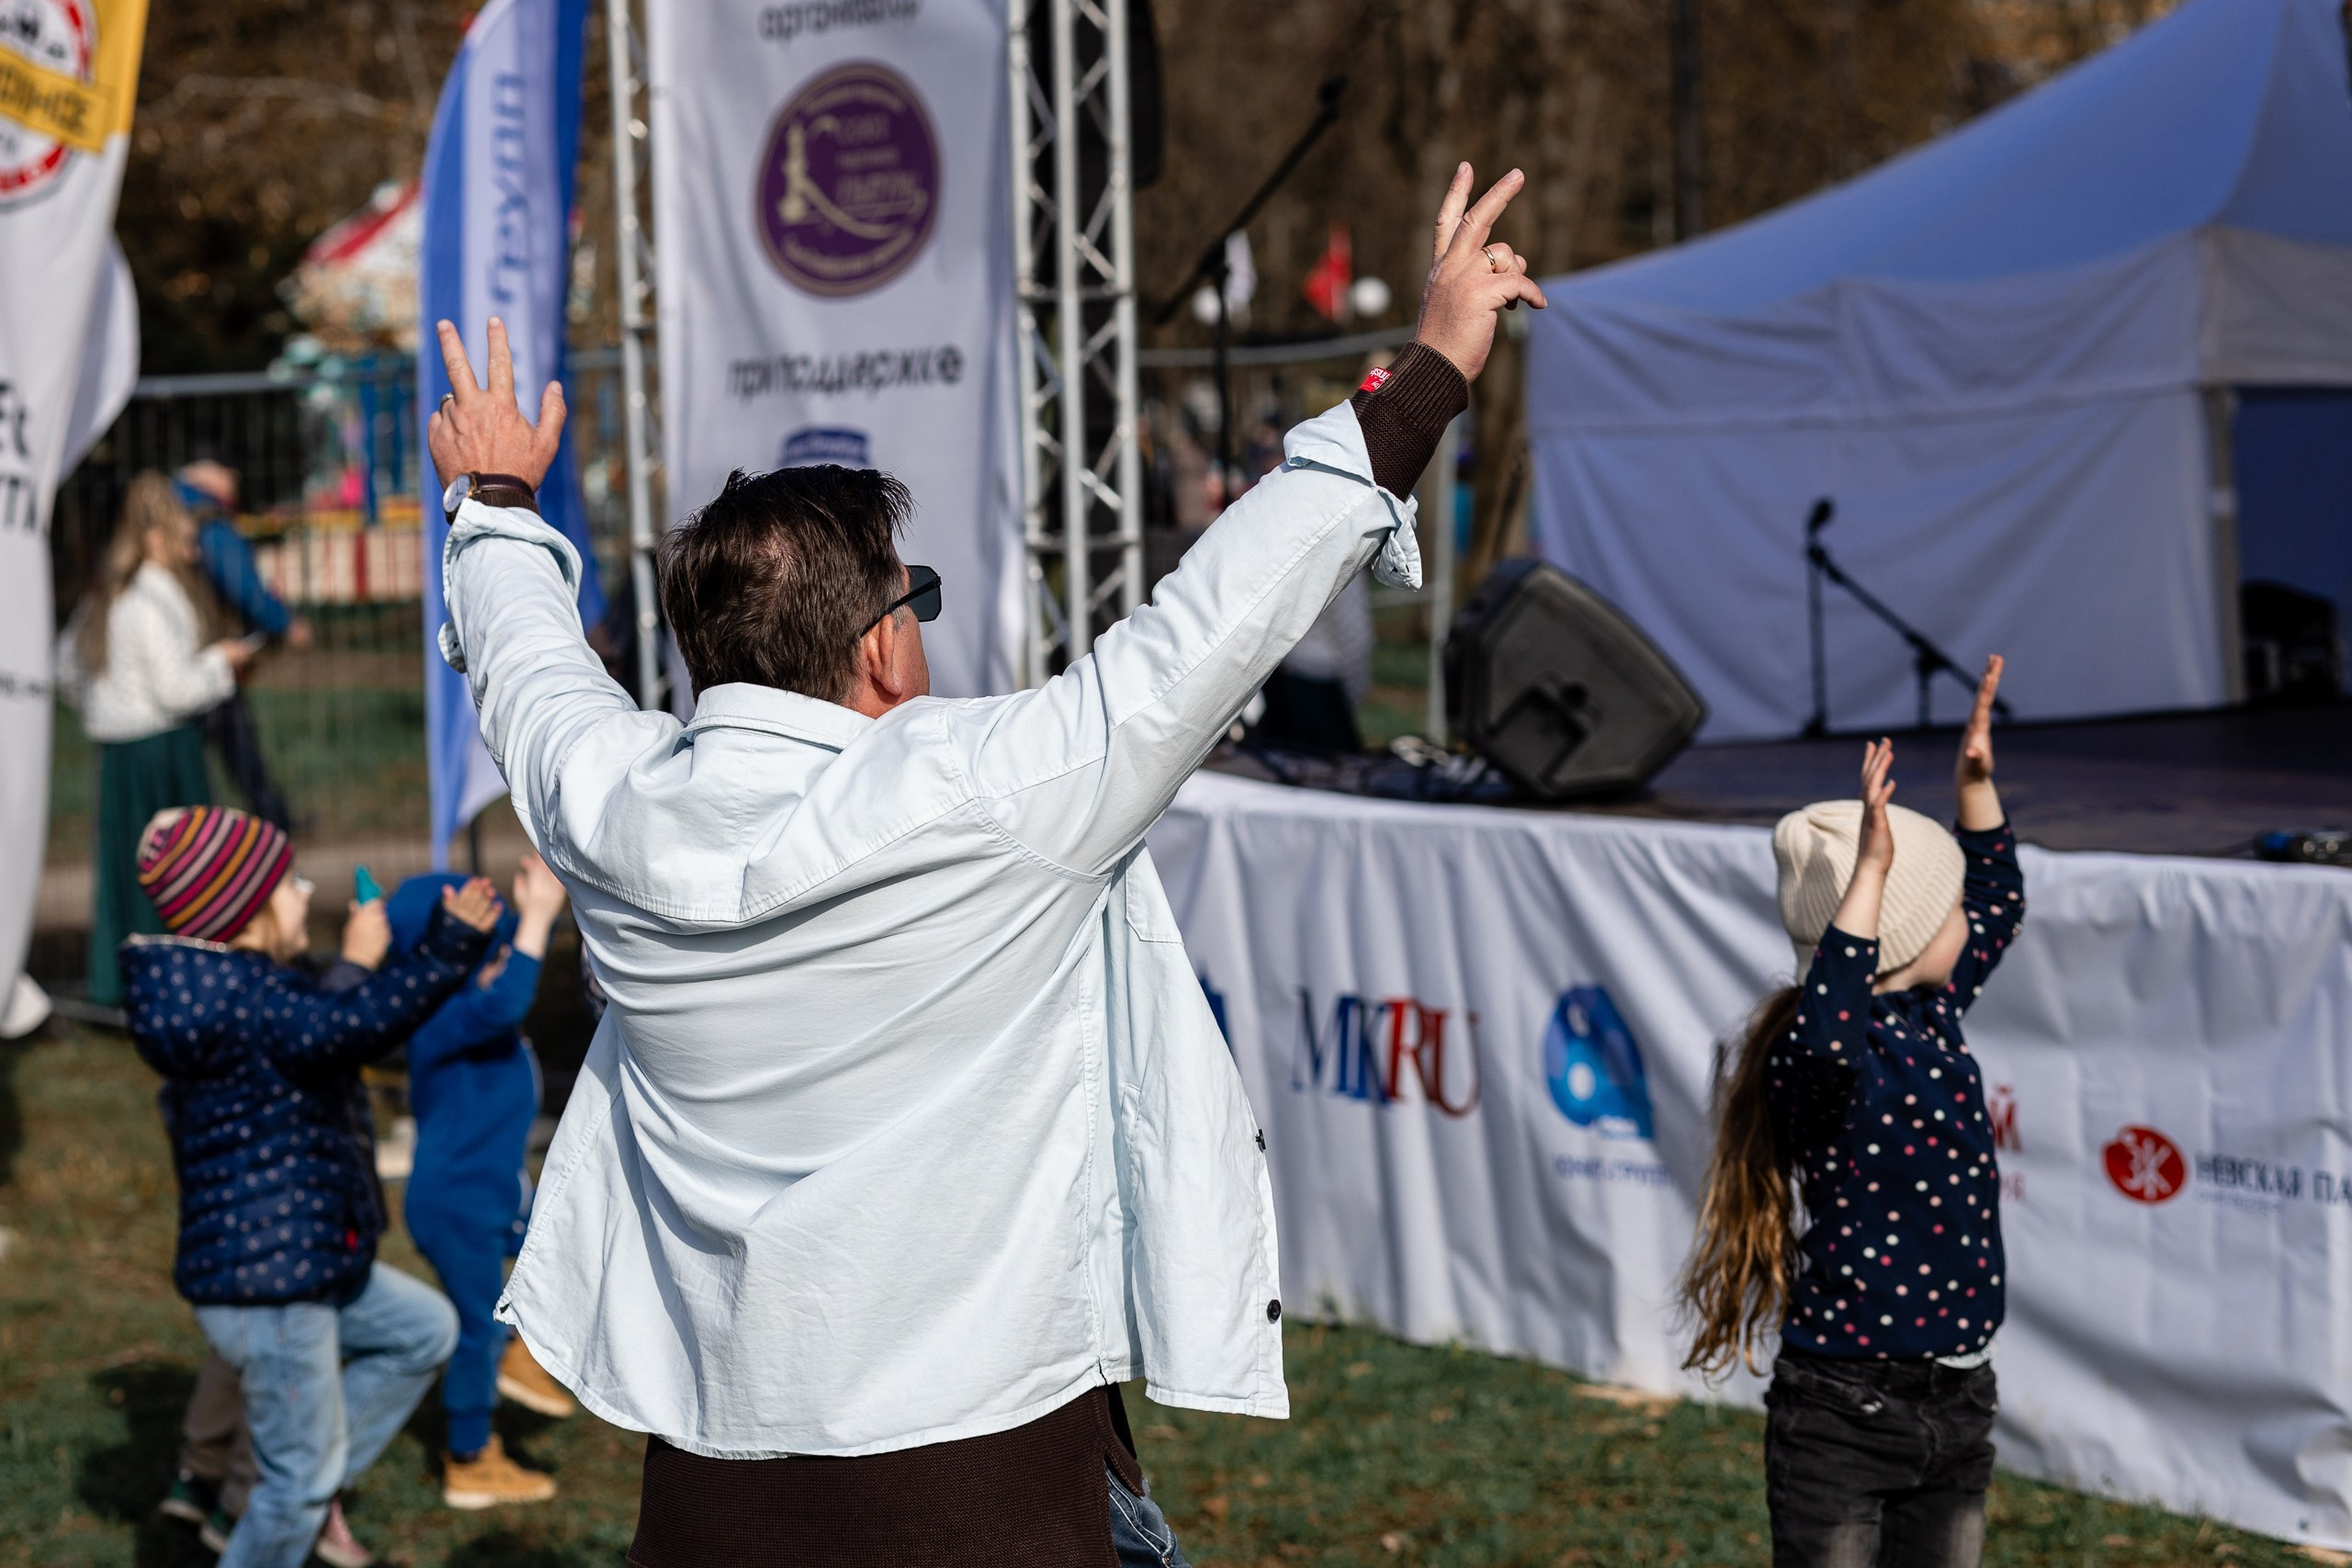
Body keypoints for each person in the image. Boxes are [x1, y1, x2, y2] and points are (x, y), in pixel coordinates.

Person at [424, 163, 1543, 1566]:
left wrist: (493, 495)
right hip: (986, 1481)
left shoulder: (611, 803)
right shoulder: (988, 794)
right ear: (883, 642)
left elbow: (526, 664)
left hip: (709, 1480)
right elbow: (1221, 612)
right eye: (916, 598)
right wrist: (1431, 369)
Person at [1680, 658, 2023, 1568]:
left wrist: (1974, 786)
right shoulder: (1826, 1058)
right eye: (1945, 904)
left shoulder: (1930, 1010)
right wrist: (1872, 874)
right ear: (1897, 934)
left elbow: (2000, 898)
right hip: (1844, 1414)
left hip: (1957, 1404)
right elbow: (1831, 1023)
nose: (1969, 914)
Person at [120, 804, 503, 1568]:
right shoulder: (249, 1002)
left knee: (423, 1330)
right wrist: (445, 946)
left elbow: (322, 1020)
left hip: (293, 1265)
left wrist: (361, 961)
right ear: (245, 911)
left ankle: (296, 1481)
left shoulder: (237, 991)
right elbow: (352, 1023)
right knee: (297, 1485)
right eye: (289, 882)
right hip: (273, 1288)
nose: (305, 892)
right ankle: (291, 1493)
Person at [383, 853, 579, 1508]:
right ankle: (469, 1457)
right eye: (489, 951)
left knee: (567, 1257)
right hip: (455, 1205)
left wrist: (534, 910)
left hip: (494, 1193)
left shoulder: (467, 1006)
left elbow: (505, 982)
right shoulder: (439, 1018)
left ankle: (519, 1349)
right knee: (477, 1325)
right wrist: (538, 919)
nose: (503, 960)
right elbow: (507, 1000)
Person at [56, 473, 258, 1006]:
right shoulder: (153, 599)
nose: (194, 542)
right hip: (161, 752)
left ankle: (128, 984)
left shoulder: (109, 594)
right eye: (183, 532)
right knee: (180, 872)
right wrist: (223, 662)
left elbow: (66, 668)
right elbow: (176, 692)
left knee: (129, 870)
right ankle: (179, 983)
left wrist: (104, 706)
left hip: (119, 752)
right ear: (154, 537)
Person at [175, 457, 311, 829]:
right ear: (202, 469)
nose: (233, 476)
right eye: (224, 468)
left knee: (217, 747)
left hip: (187, 651)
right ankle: (266, 821)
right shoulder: (208, 520)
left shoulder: (173, 509)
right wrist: (283, 621)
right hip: (210, 652)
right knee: (234, 743)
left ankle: (242, 821)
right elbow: (242, 585)